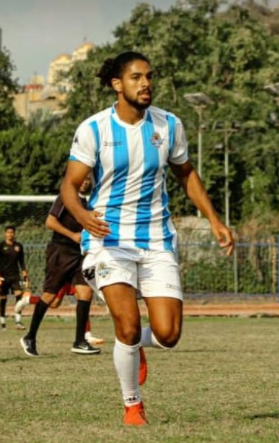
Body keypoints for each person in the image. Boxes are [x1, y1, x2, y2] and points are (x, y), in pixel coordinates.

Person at [61, 52, 234, 426]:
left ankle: (133, 344)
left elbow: (186, 173)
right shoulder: (94, 129)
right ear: (117, 84)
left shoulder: (169, 125)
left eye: (149, 77)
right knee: (126, 324)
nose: (145, 84)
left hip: (157, 239)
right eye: (136, 77)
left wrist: (214, 219)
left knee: (168, 334)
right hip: (108, 240)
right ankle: (133, 405)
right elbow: (69, 187)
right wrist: (83, 216)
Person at [19, 176, 103, 356]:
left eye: (88, 178)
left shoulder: (89, 202)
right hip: (61, 251)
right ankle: (30, 337)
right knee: (50, 296)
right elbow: (50, 222)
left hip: (80, 254)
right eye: (82, 177)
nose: (85, 181)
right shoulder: (66, 197)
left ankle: (80, 341)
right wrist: (72, 235)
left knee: (85, 293)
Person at [15, 282, 104, 347]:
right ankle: (28, 299)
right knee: (55, 303)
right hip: (65, 272)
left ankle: (87, 335)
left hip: (76, 274)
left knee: (82, 298)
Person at [0, 226, 27, 329]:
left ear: (14, 234)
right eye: (8, 232)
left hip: (15, 275)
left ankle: (18, 321)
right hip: (3, 275)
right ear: (5, 234)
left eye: (12, 232)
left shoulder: (18, 246)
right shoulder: (0, 246)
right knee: (3, 298)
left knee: (19, 296)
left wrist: (24, 271)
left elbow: (21, 260)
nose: (10, 234)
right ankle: (2, 322)